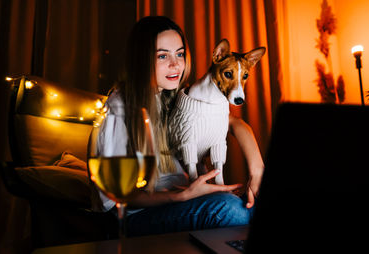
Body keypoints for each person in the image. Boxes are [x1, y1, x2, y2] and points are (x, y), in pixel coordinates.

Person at [94, 16, 264, 236]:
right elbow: (112, 195)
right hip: (137, 215)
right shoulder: (120, 106)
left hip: (187, 200)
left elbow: (234, 123)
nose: (175, 64)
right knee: (231, 210)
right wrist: (182, 196)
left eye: (180, 54)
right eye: (163, 56)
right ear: (141, 60)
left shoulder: (180, 95)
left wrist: (258, 169)